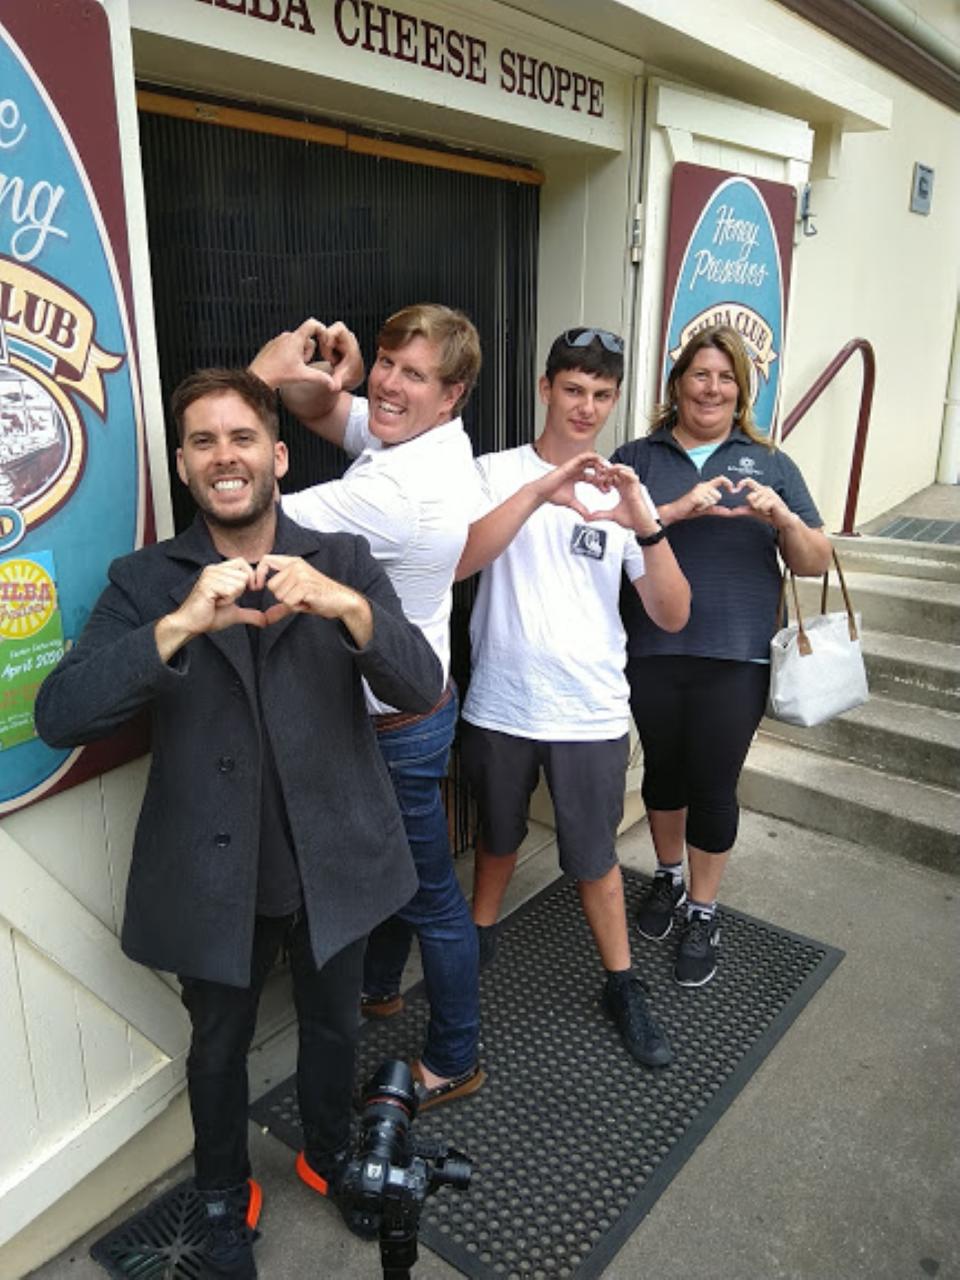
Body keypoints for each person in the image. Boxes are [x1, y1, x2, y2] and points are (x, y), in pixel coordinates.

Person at [34, 368, 443, 1278]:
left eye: (243, 437)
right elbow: (62, 714)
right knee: (217, 1046)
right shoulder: (145, 581)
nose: (226, 456)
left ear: (278, 456)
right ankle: (223, 1188)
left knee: (335, 1027)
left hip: (334, 857)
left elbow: (422, 684)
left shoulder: (342, 559)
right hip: (217, 873)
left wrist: (348, 607)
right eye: (205, 441)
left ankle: (328, 1152)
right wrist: (179, 625)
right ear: (184, 465)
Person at [250, 306, 486, 1111]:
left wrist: (259, 378)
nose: (387, 384)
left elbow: (245, 514)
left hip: (394, 722)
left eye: (412, 374)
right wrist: (332, 383)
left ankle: (455, 1057)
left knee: (429, 895)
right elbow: (339, 416)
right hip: (419, 699)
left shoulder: (392, 492)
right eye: (385, 362)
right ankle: (381, 987)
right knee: (397, 870)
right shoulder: (433, 441)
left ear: (450, 394)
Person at [456, 327, 691, 1068]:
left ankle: (622, 985)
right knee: (497, 839)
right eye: (573, 389)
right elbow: (459, 562)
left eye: (602, 394)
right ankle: (473, 954)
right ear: (545, 388)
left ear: (615, 401)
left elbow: (672, 614)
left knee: (594, 860)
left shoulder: (624, 489)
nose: (586, 406)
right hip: (501, 701)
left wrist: (645, 525)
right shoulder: (493, 472)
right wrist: (540, 493)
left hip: (589, 709)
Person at [610, 324, 832, 988]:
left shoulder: (771, 462)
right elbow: (605, 535)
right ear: (678, 383)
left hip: (737, 656)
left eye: (726, 377)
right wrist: (675, 510)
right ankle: (668, 877)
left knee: (712, 782)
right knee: (662, 772)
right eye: (700, 375)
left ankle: (703, 911)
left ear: (742, 391)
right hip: (652, 645)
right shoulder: (636, 457)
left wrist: (782, 518)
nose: (712, 388)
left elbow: (815, 561)